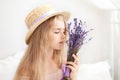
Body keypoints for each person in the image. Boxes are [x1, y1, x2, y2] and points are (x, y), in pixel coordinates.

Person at [14, 5, 79, 80]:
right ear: (41, 36)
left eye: (64, 31)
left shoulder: (63, 63)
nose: (64, 36)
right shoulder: (26, 72)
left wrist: (73, 77)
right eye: (57, 32)